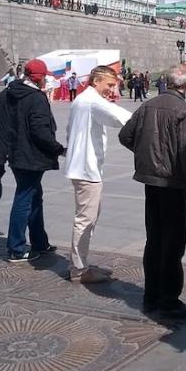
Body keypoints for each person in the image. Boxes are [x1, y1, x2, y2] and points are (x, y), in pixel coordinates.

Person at [118, 64, 186, 319]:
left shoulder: (147, 106)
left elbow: (125, 136)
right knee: (173, 242)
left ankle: (151, 295)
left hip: (151, 182)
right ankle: (169, 299)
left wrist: (147, 155)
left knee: (153, 237)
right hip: (173, 183)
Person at [0, 59, 66, 262]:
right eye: (45, 76)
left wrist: (4, 145)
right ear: (39, 78)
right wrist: (59, 149)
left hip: (14, 155)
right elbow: (40, 132)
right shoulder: (36, 98)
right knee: (24, 197)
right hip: (31, 156)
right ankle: (16, 247)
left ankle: (40, 242)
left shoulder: (6, 93)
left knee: (34, 195)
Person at [65, 66, 132, 283]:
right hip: (86, 168)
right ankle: (78, 270)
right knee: (85, 220)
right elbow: (120, 117)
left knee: (87, 218)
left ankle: (80, 264)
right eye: (109, 85)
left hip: (83, 166)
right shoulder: (92, 101)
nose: (112, 91)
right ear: (96, 81)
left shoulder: (82, 101)